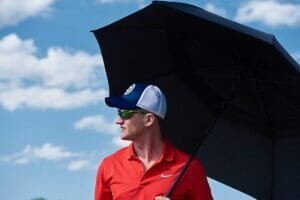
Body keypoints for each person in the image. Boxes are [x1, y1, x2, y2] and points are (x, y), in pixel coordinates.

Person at [94, 83, 213, 200]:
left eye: (124, 113)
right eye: (118, 112)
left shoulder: (190, 167)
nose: (118, 120)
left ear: (149, 119)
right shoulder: (109, 165)